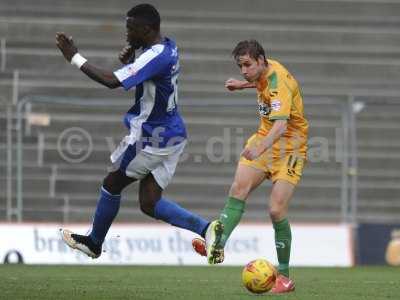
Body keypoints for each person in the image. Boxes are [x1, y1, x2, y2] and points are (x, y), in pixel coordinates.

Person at [56, 3, 210, 258]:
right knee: (149, 202)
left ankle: (94, 242)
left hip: (153, 136)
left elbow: (111, 81)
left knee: (112, 181)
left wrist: (74, 56)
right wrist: (135, 56)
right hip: (173, 133)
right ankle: (207, 229)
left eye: (131, 28)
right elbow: (151, 71)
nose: (126, 33)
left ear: (147, 29)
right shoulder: (168, 46)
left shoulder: (155, 55)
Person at [192, 40, 308, 294]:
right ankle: (217, 244)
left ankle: (284, 277)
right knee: (238, 189)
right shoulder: (266, 73)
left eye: (247, 66)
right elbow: (261, 83)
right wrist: (242, 85)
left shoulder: (279, 83)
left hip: (290, 148)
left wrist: (260, 148)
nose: (243, 70)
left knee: (276, 210)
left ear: (261, 61)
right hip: (265, 139)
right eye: (240, 66)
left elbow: (280, 125)